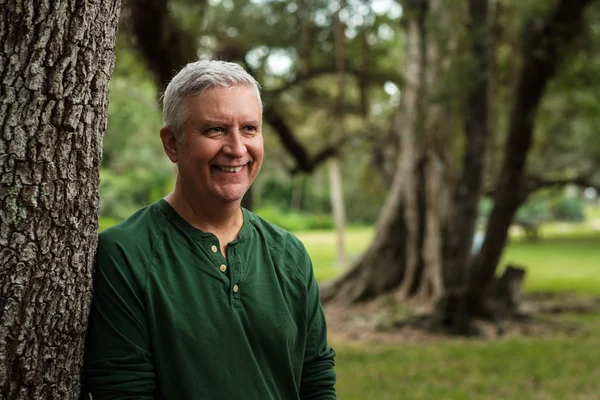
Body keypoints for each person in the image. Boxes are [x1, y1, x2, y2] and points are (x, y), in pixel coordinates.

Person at [83, 60, 337, 399]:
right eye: (215, 130)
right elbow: (123, 391)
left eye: (249, 129)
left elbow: (316, 379)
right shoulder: (126, 254)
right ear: (172, 143)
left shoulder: (289, 254)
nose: (236, 149)